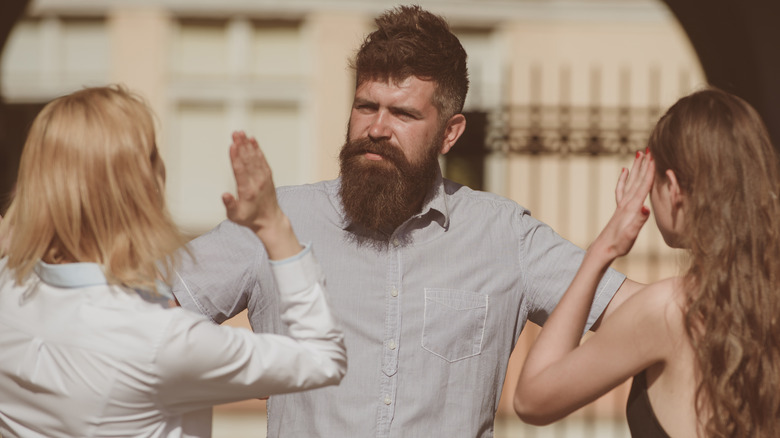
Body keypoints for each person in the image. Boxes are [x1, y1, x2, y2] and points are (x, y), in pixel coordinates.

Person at [173, 5, 642, 437]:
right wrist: (248, 366)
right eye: (366, 106)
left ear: (450, 132)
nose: (377, 128)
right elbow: (140, 312)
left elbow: (647, 314)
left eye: (402, 113)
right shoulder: (275, 221)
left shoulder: (504, 235)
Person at [0, 86, 347, 438]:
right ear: (138, 188)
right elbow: (323, 359)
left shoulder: (9, 286)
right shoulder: (161, 340)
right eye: (152, 154)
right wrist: (272, 223)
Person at [513, 88, 780, 437]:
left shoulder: (670, 311)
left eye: (652, 181)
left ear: (673, 189)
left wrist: (602, 250)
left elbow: (532, 399)